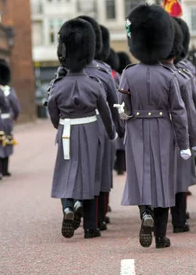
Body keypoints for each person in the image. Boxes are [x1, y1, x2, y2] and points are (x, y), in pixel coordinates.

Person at [118, 3, 190, 249]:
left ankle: (145, 213)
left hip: (136, 127)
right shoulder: (169, 75)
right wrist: (184, 144)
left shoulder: (128, 74)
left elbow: (123, 108)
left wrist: (126, 119)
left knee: (140, 177)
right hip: (163, 128)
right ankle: (161, 236)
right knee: (163, 181)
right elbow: (178, 112)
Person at [48, 19, 116, 239]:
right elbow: (106, 111)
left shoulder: (58, 84)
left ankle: (67, 208)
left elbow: (52, 110)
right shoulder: (96, 82)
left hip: (66, 132)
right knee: (89, 177)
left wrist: (60, 126)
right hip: (90, 131)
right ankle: (90, 227)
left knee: (65, 174)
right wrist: (112, 132)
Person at [78, 17, 123, 231]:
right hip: (101, 127)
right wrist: (118, 131)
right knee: (102, 174)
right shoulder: (105, 73)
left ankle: (74, 207)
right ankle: (98, 219)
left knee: (76, 170)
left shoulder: (65, 73)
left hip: (72, 128)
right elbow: (115, 104)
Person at [164, 18, 196, 233]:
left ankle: (152, 217)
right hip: (178, 132)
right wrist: (195, 138)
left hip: (150, 132)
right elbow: (190, 110)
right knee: (179, 177)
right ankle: (179, 221)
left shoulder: (135, 74)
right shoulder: (183, 76)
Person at [0, 59, 21, 176]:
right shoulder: (8, 90)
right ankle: (4, 169)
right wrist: (15, 116)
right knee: (7, 142)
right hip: (6, 119)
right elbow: (15, 106)